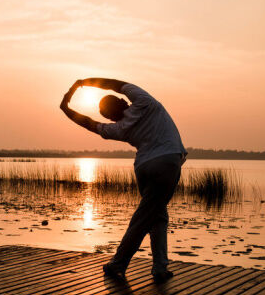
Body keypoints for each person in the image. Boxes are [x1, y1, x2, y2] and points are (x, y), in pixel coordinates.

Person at [60, 78, 187, 283]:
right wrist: (84, 82)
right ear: (123, 101)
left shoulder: (119, 129)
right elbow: (115, 84)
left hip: (144, 167)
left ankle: (160, 267)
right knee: (144, 219)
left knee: (158, 215)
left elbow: (89, 124)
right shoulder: (144, 102)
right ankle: (118, 264)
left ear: (111, 117)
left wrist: (66, 108)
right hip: (166, 163)